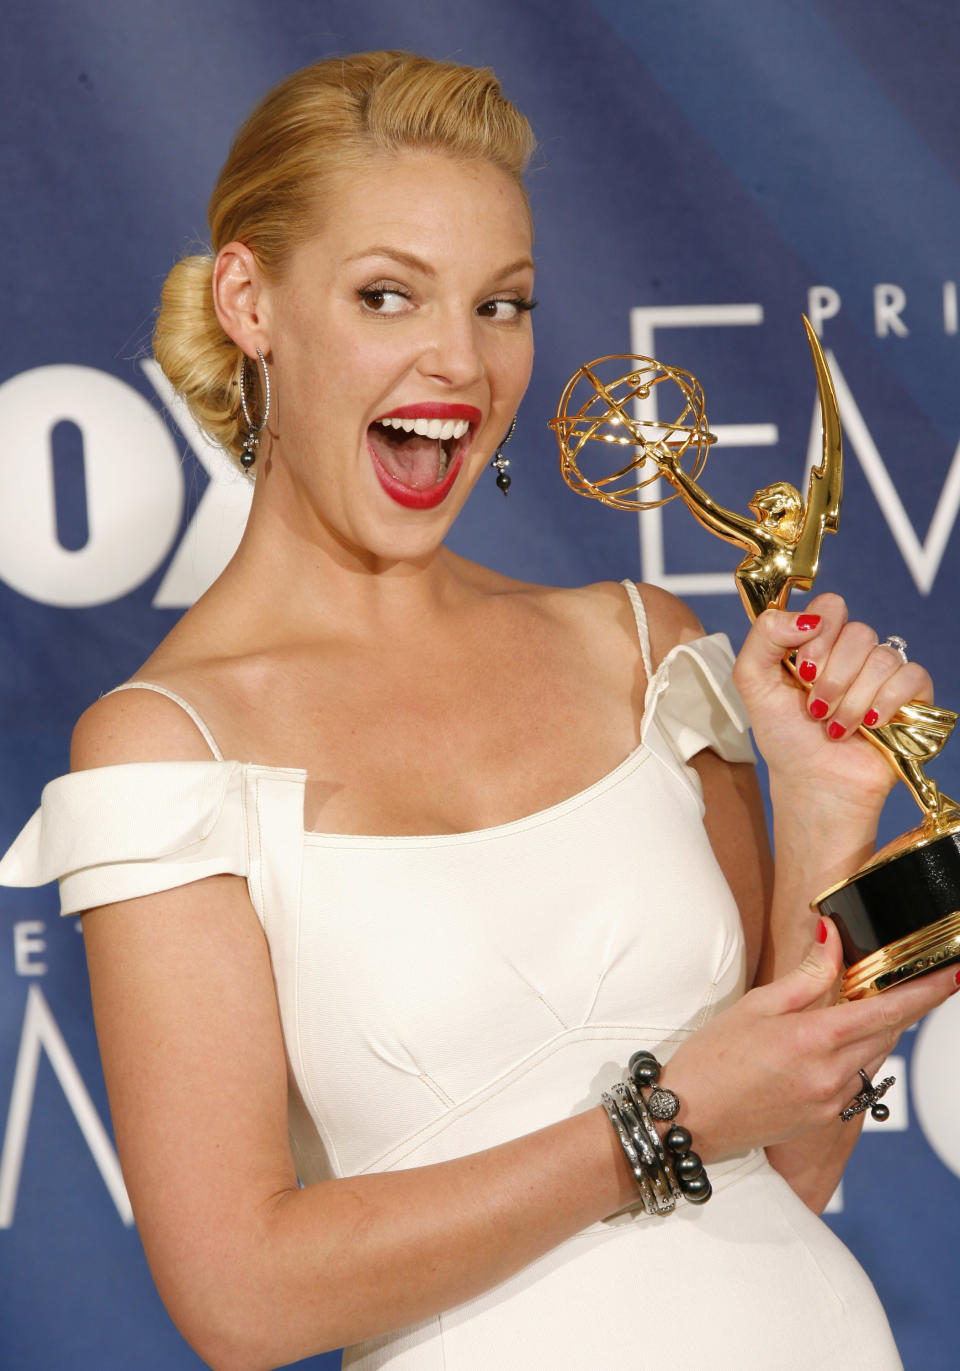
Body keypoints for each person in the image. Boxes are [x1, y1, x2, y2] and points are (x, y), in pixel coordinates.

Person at [1, 50, 956, 1371]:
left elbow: (791, 1164)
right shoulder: (170, 751)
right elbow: (242, 1301)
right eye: (387, 295)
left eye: (502, 305)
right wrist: (661, 1115)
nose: (459, 360)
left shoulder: (638, 645)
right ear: (249, 298)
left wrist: (824, 809)